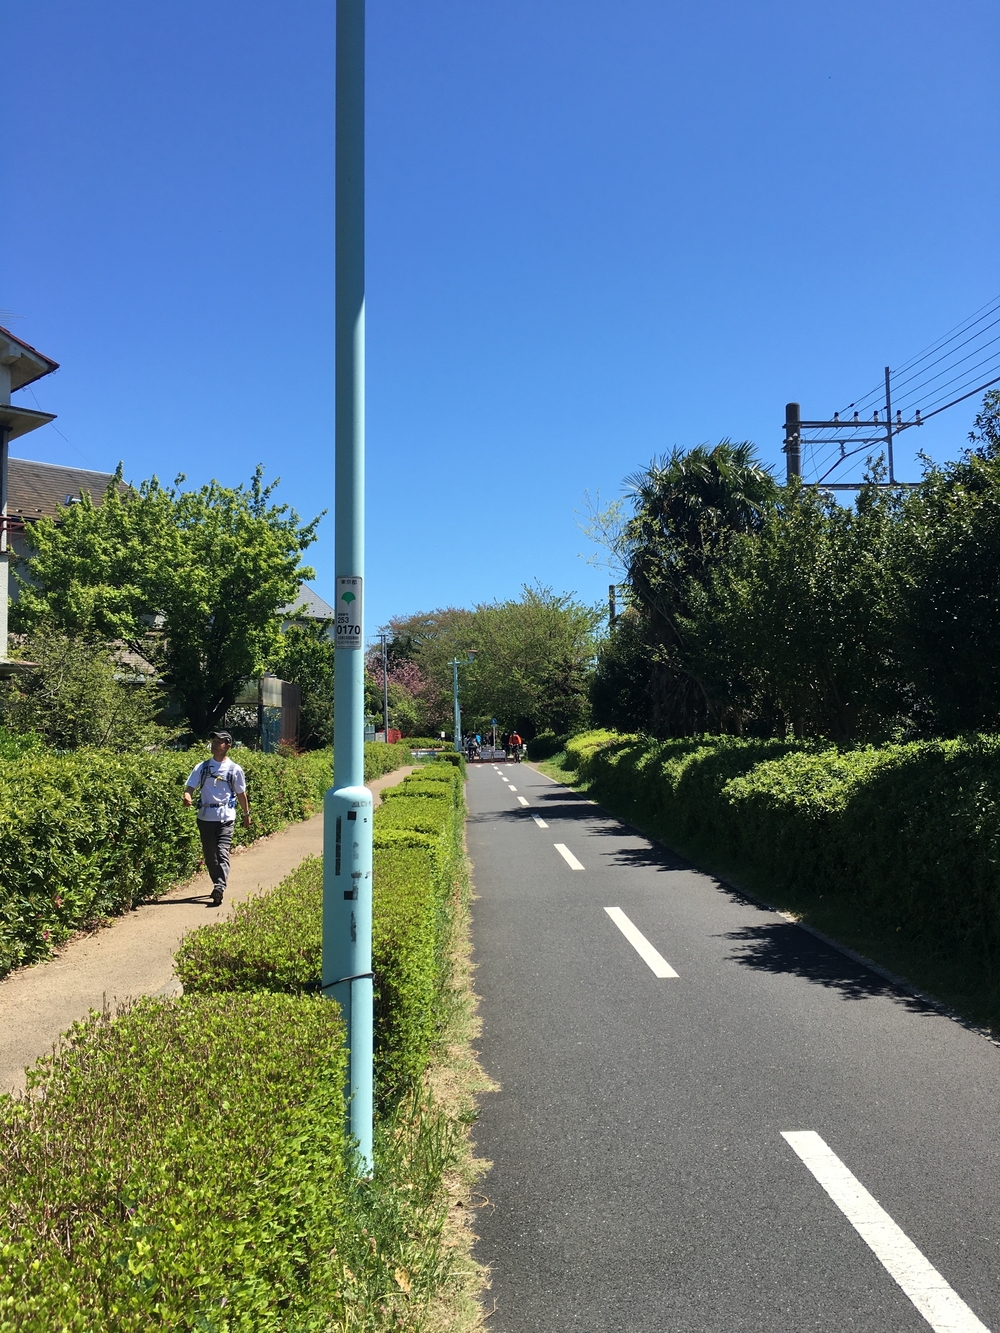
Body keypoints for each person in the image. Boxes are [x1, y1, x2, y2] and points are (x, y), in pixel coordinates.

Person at [183, 730, 250, 906]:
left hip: (226, 817)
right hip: (205, 817)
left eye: (219, 741)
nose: (214, 744)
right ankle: (217, 883)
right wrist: (187, 796)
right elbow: (190, 786)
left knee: (222, 852)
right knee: (210, 855)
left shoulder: (235, 769)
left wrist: (246, 814)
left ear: (228, 745)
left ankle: (219, 887)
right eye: (213, 740)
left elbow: (241, 793)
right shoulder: (202, 767)